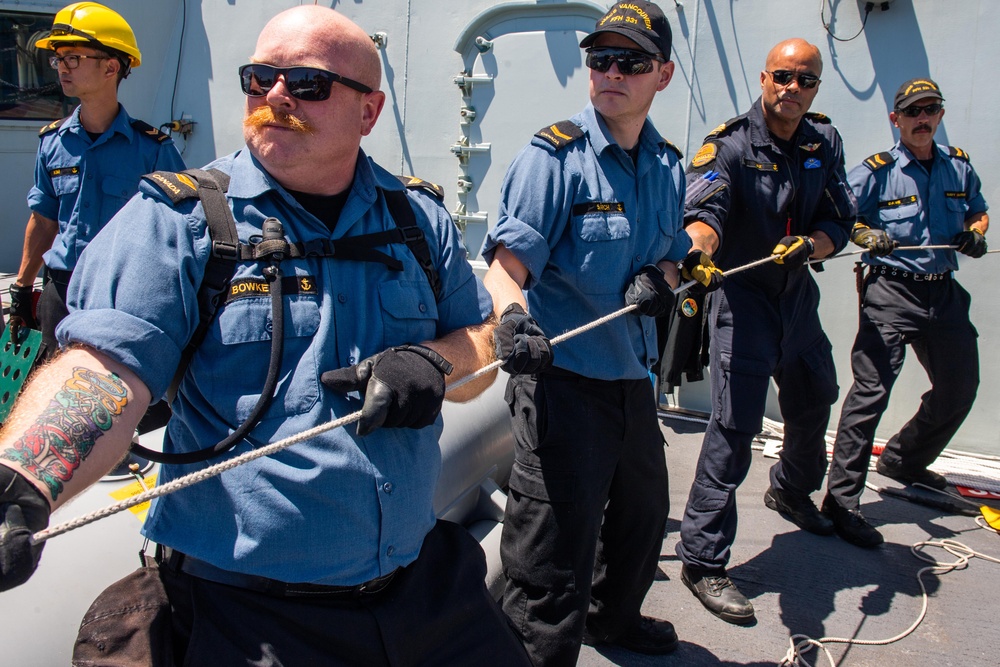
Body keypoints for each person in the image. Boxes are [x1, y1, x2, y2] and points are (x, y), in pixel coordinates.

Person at [0, 6, 531, 665]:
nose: (276, 96)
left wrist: (432, 360)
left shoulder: (418, 221)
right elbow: (107, 368)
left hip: (420, 587)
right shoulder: (182, 221)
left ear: (369, 112)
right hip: (250, 615)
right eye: (260, 78)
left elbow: (479, 343)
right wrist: (24, 479)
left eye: (306, 83)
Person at [481, 3, 720, 663]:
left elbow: (672, 251)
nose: (610, 72)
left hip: (630, 377)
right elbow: (506, 266)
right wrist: (512, 319)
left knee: (642, 518)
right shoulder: (554, 157)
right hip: (562, 379)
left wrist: (661, 274)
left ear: (662, 75)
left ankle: (610, 621)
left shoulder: (669, 164)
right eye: (600, 59)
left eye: (631, 61)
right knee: (551, 550)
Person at [676, 38, 856, 625]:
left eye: (805, 80)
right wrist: (700, 253)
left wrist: (816, 243)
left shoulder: (821, 140)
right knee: (734, 430)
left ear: (815, 88)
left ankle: (791, 490)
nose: (792, 89)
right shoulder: (728, 144)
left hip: (797, 297)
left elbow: (840, 217)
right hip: (743, 300)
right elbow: (704, 212)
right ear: (763, 77)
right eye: (782, 76)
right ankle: (701, 559)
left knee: (815, 398)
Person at [823, 78, 989, 548]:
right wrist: (863, 234)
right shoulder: (876, 171)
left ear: (939, 115)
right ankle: (840, 501)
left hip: (943, 291)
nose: (922, 118)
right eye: (912, 111)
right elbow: (839, 213)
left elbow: (978, 212)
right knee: (871, 391)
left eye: (930, 109)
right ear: (896, 119)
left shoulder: (958, 168)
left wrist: (976, 233)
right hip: (891, 290)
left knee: (960, 387)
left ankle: (905, 460)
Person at [7, 2, 185, 360]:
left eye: (73, 57)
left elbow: (178, 229)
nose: (61, 68)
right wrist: (23, 288)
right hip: (59, 288)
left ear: (111, 67)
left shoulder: (152, 150)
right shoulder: (53, 142)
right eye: (58, 59)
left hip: (121, 294)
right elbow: (43, 220)